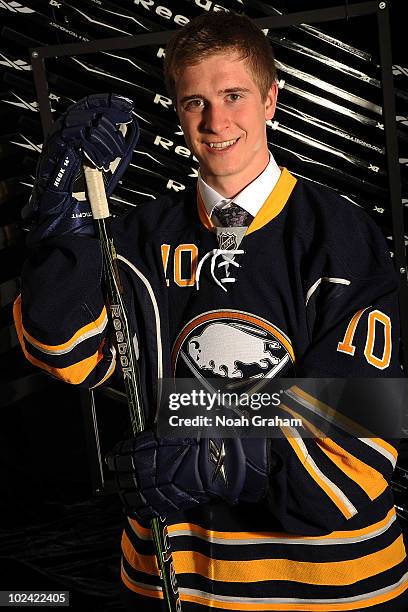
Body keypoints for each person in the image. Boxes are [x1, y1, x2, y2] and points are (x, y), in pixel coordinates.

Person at [13, 11, 408, 612]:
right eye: (195, 101)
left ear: (271, 99)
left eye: (233, 96)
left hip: (326, 586)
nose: (216, 122)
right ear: (176, 109)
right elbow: (66, 355)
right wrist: (61, 229)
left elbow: (360, 439)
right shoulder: (140, 234)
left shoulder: (339, 234)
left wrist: (219, 454)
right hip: (175, 577)